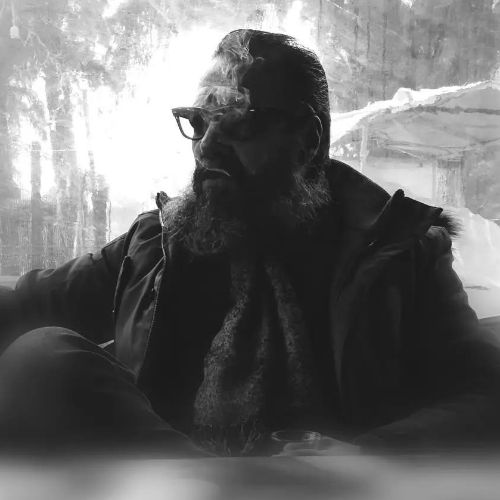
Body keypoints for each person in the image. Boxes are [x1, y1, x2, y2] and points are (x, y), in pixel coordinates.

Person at [0, 29, 499, 457]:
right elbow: (27, 305)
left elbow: (486, 393)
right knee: (43, 356)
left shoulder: (399, 253)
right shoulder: (155, 243)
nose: (207, 146)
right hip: (174, 484)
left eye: (237, 122)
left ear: (307, 140)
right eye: (199, 122)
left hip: (328, 488)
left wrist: (367, 456)